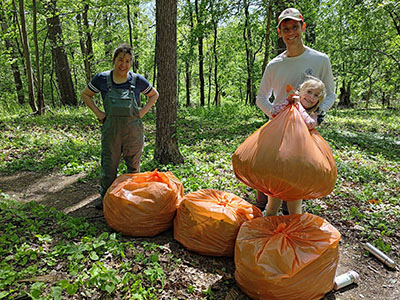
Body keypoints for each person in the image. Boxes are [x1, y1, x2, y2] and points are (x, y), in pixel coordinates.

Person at [255, 7, 336, 215]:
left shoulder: (320, 60)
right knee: (272, 182)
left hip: (305, 133)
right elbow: (261, 97)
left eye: (295, 27)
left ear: (303, 27)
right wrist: (275, 114)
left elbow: (330, 94)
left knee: (296, 182)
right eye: (286, 29)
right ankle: (269, 225)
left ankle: (292, 227)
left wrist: (319, 114)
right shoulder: (275, 65)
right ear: (279, 33)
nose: (291, 33)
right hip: (279, 133)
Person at [81, 43, 159, 209]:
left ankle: (131, 201)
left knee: (133, 167)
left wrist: (142, 112)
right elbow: (86, 94)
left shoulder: (137, 80)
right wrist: (99, 113)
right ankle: (106, 201)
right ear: (114, 60)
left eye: (127, 61)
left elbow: (154, 95)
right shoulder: (102, 79)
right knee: (109, 166)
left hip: (133, 131)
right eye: (120, 60)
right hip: (111, 131)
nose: (123, 64)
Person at [265, 77, 326, 216]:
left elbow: (309, 124)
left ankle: (295, 224)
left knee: (295, 196)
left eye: (316, 95)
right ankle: (268, 220)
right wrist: (289, 100)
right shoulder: (290, 105)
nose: (311, 97)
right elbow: (274, 112)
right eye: (309, 92)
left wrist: (298, 105)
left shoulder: (315, 113)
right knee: (274, 193)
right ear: (301, 91)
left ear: (319, 100)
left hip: (300, 159)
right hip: (281, 154)